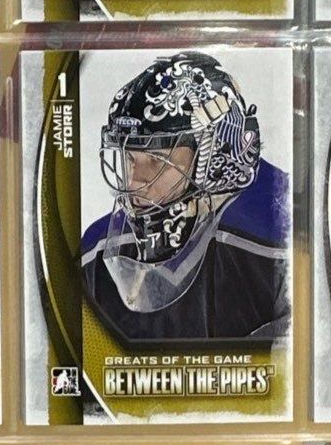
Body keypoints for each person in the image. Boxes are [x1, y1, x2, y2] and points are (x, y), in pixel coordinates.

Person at [80, 51, 290, 343]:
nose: (134, 181)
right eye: (129, 158)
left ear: (215, 154)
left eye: (157, 159)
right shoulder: (97, 252)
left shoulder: (282, 241)